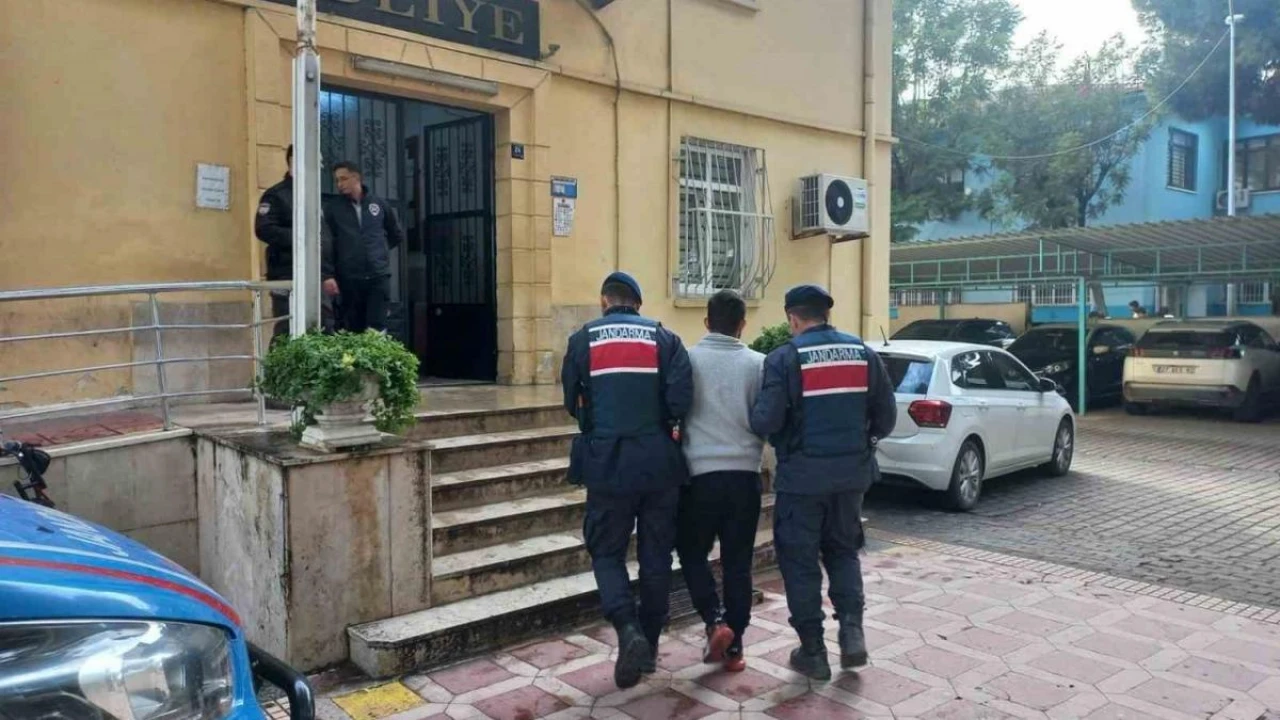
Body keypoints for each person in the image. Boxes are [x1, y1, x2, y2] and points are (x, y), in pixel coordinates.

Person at [749, 284, 896, 681]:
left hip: (802, 481)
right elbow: (886, 418)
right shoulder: (862, 353)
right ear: (826, 315)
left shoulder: (785, 358)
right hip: (851, 479)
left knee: (799, 563)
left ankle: (813, 651)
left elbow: (766, 420)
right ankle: (852, 633)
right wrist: (861, 443)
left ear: (793, 318)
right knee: (843, 552)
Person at [561, 272, 693, 690]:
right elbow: (680, 401)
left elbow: (571, 401)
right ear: (638, 303)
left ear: (605, 301)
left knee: (606, 552)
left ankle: (626, 629)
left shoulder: (582, 340)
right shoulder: (665, 339)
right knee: (656, 555)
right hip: (659, 465)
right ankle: (647, 645)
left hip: (606, 466)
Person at [676, 289, 766, 673]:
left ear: (706, 322)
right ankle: (735, 648)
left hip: (699, 478)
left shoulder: (686, 360)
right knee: (738, 563)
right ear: (742, 324)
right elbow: (766, 417)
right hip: (745, 476)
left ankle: (714, 620)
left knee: (691, 552)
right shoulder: (759, 364)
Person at [254, 144, 334, 338]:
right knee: (287, 329)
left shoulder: (314, 195)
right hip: (286, 274)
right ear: (294, 162)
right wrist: (301, 238)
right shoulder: (276, 195)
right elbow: (264, 229)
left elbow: (324, 237)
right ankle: (278, 360)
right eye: (316, 161)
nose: (321, 167)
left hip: (316, 275)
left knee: (322, 327)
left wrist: (327, 273)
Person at [323, 162, 405, 332]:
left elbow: (396, 234)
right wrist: (328, 274)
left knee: (377, 327)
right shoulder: (333, 208)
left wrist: (378, 252)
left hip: (377, 276)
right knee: (352, 328)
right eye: (337, 180)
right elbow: (326, 243)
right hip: (349, 278)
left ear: (357, 177)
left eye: (344, 178)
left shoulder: (379, 204)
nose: (340, 184)